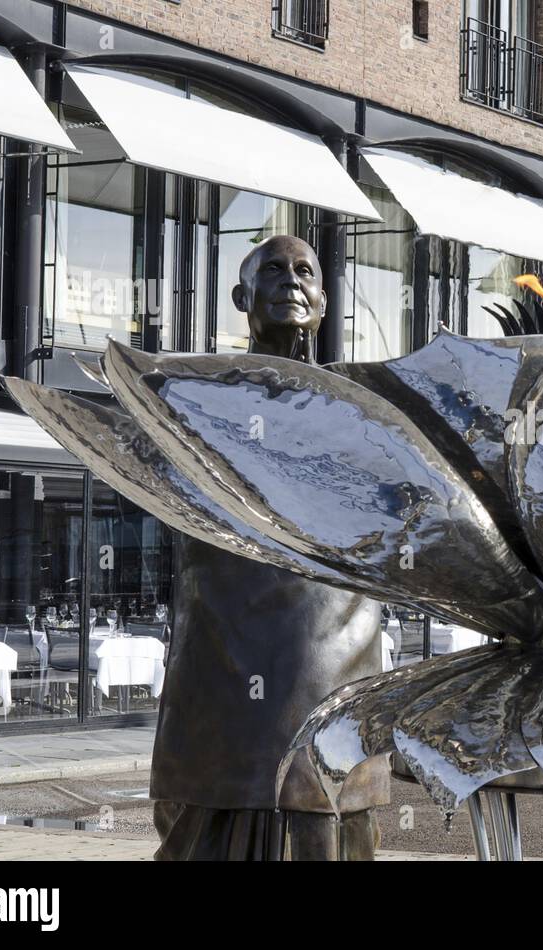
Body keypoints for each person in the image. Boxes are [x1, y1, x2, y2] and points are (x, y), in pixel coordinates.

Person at [151, 236, 385, 861]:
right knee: (215, 808)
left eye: (304, 271)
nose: (291, 281)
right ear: (242, 298)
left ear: (325, 301)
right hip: (225, 642)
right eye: (273, 271)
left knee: (327, 807)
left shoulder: (360, 408)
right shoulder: (198, 397)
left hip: (333, 648)